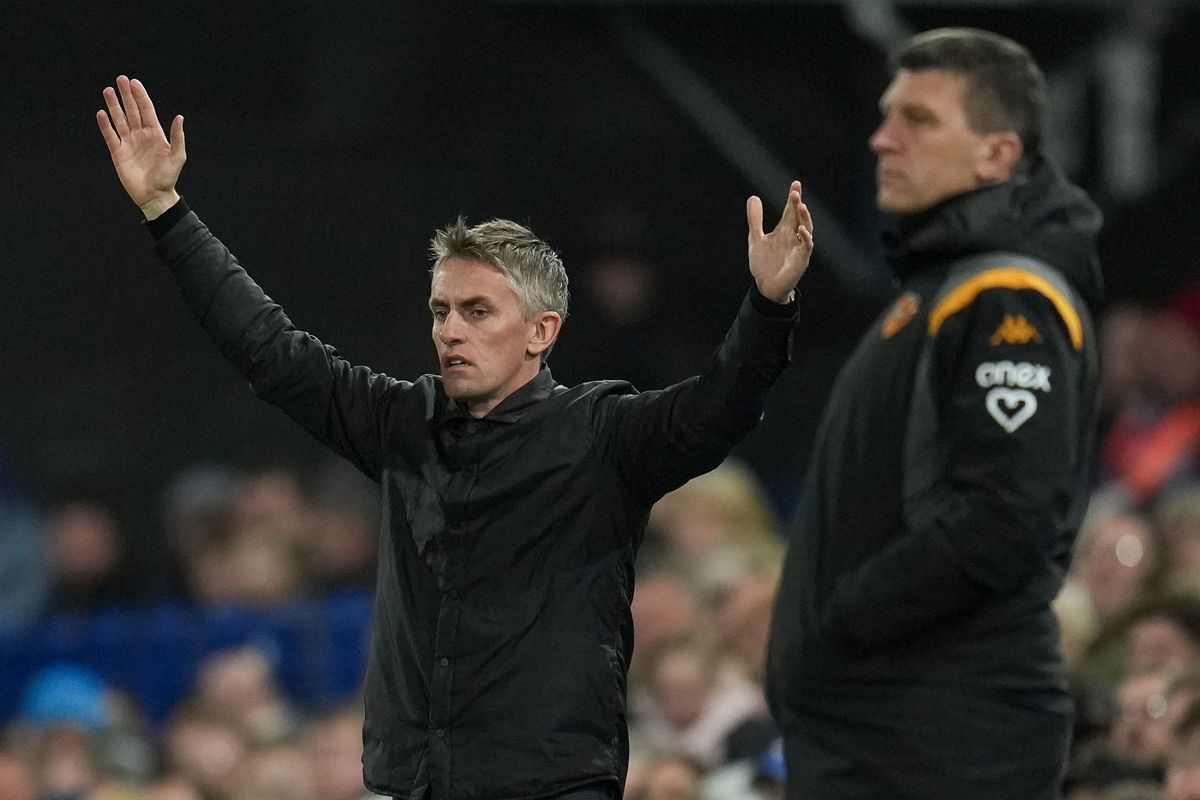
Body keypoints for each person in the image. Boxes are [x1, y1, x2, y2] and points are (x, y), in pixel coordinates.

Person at [95, 75, 813, 800]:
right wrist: (166, 211)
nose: (450, 331)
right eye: (441, 311)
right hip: (416, 785)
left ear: (541, 331)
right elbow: (272, 352)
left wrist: (768, 305)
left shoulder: (601, 432)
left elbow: (718, 410)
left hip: (550, 787)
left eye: (477, 311)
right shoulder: (401, 420)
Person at [765, 28, 1103, 799]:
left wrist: (842, 623)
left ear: (996, 154)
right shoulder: (940, 291)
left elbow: (1003, 520)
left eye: (918, 120)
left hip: (939, 735)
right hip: (892, 732)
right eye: (888, 116)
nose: (883, 139)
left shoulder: (1008, 297)